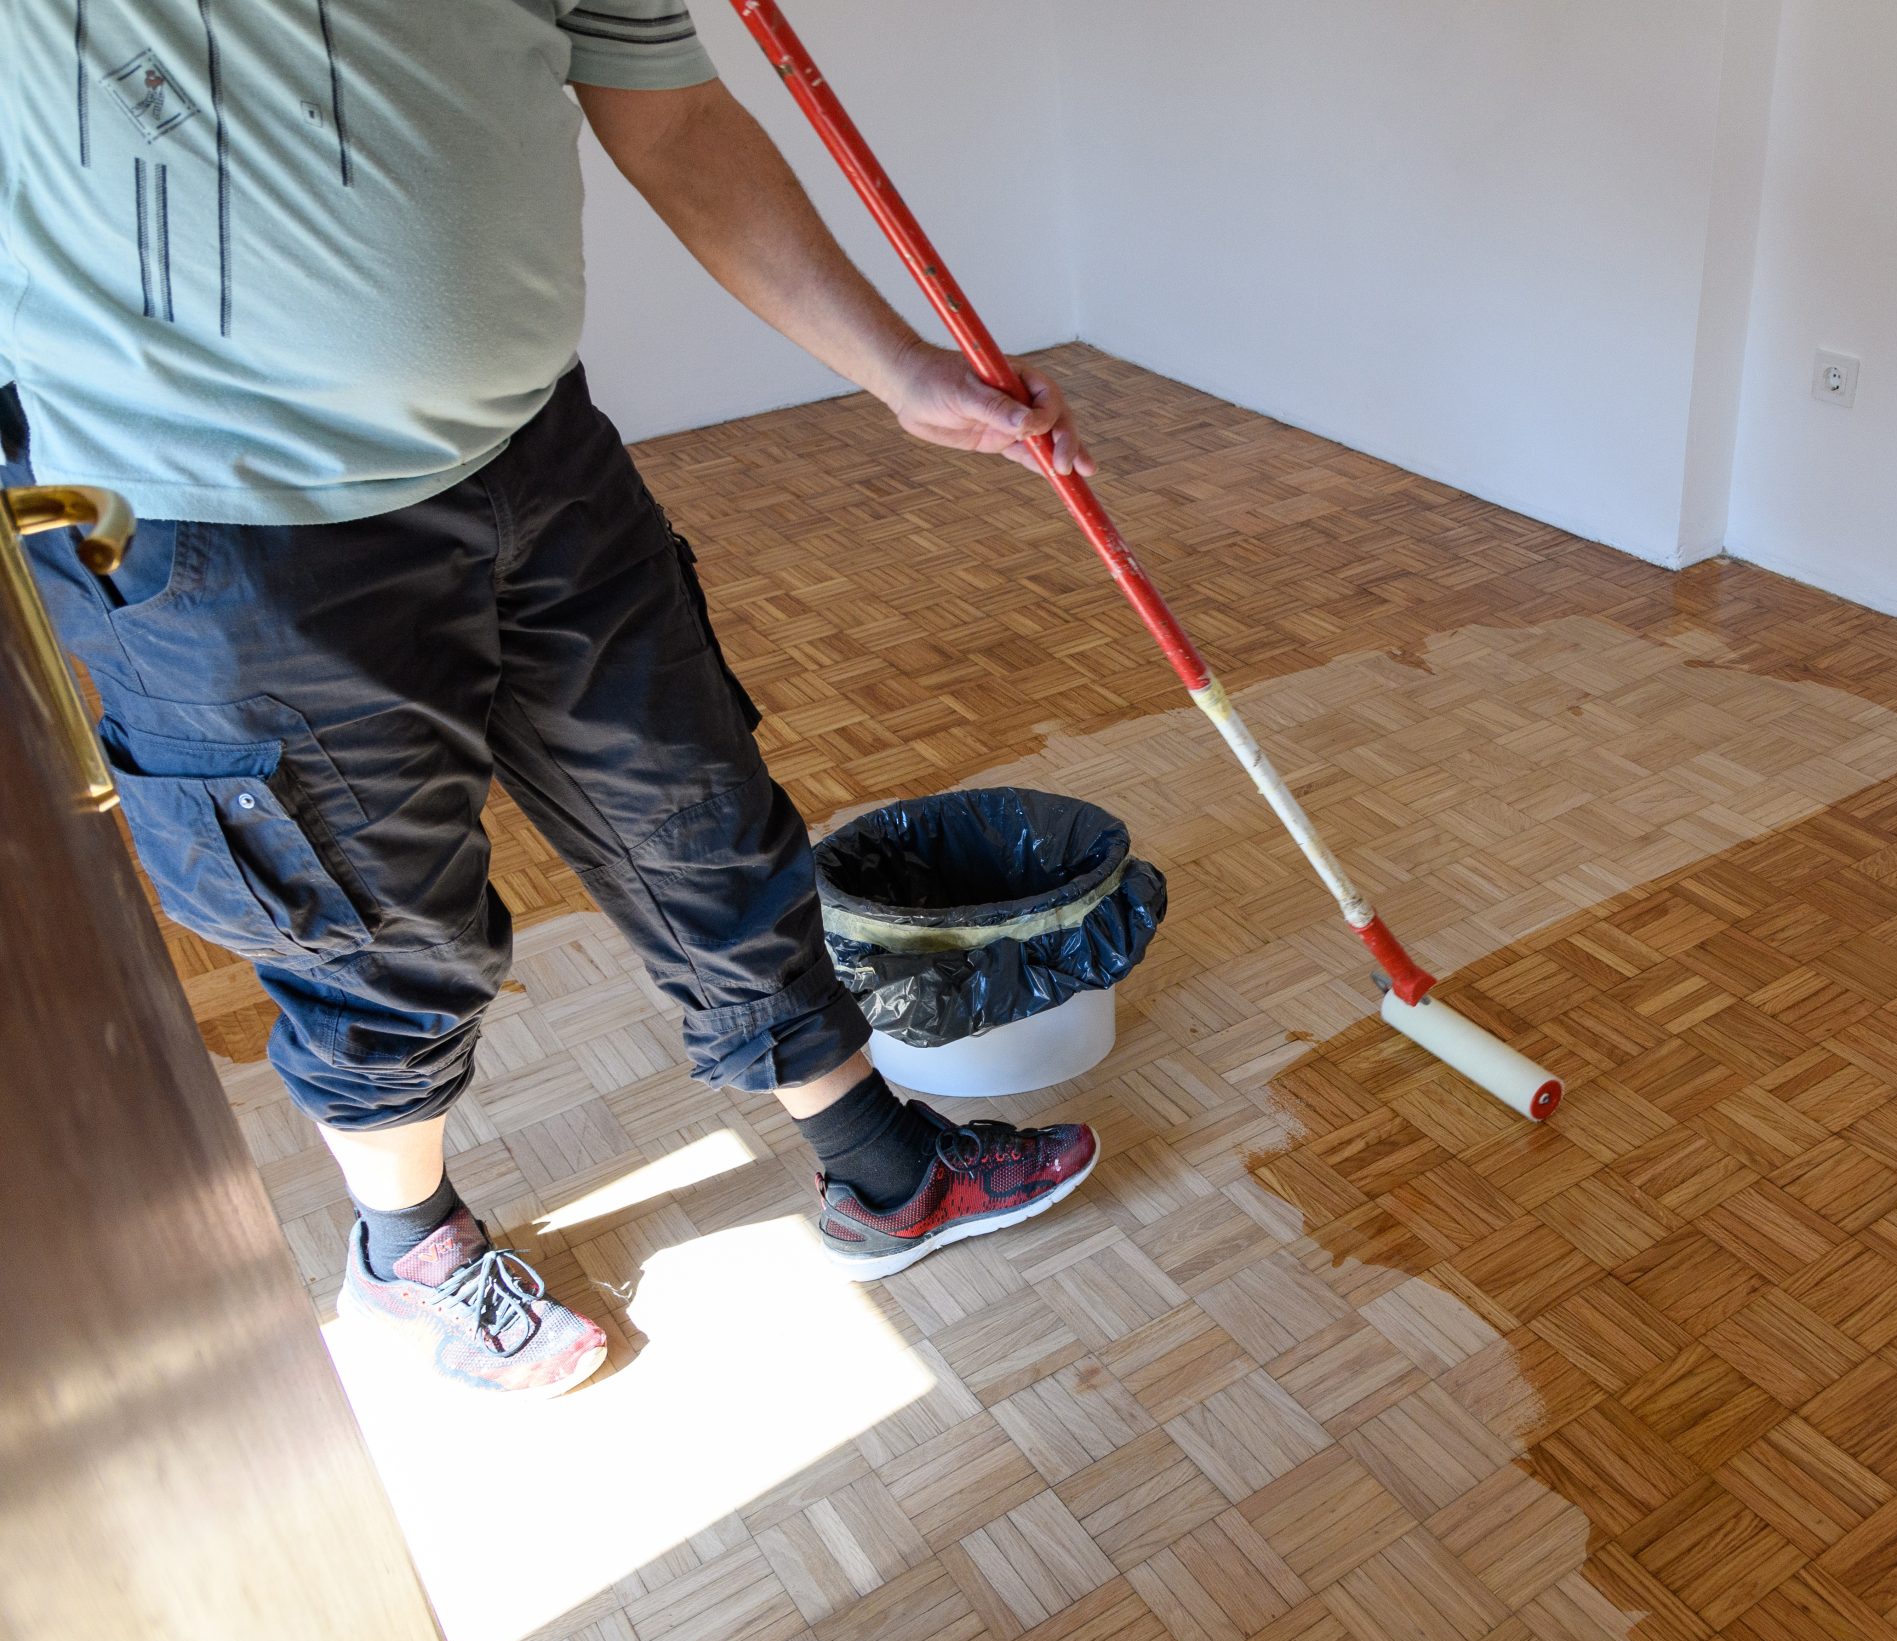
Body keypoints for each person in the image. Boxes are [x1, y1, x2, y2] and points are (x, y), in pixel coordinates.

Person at [1, 0, 1101, 1398]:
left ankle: (881, 1168)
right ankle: (405, 1252)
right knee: (372, 930)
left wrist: (893, 369)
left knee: (698, 821)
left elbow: (676, 118)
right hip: (211, 516)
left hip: (533, 449)